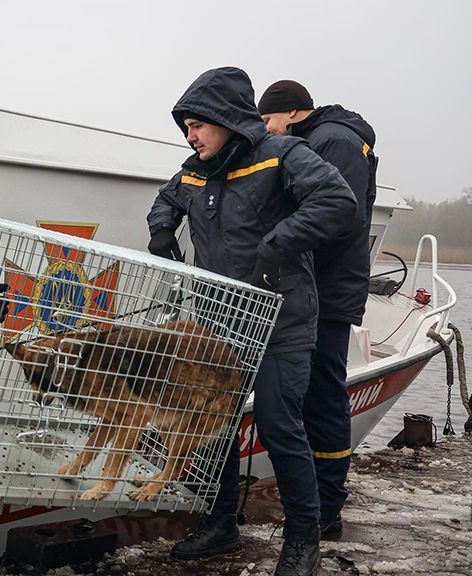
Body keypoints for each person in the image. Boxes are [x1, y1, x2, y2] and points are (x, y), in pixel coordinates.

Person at [146, 67, 357, 576]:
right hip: (219, 319)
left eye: (199, 124)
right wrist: (161, 231)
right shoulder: (195, 169)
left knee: (280, 426)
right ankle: (220, 524)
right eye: (187, 126)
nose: (191, 135)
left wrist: (276, 246)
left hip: (282, 320)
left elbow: (338, 202)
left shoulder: (283, 156)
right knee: (214, 423)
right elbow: (166, 200)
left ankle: (302, 540)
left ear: (227, 120)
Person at [259, 80, 378, 537]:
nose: (266, 131)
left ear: (291, 113)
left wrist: (287, 255)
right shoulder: (318, 138)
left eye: (268, 120)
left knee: (324, 395)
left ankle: (327, 507)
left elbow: (338, 218)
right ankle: (311, 500)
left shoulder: (336, 140)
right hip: (312, 287)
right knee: (310, 393)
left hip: (327, 293)